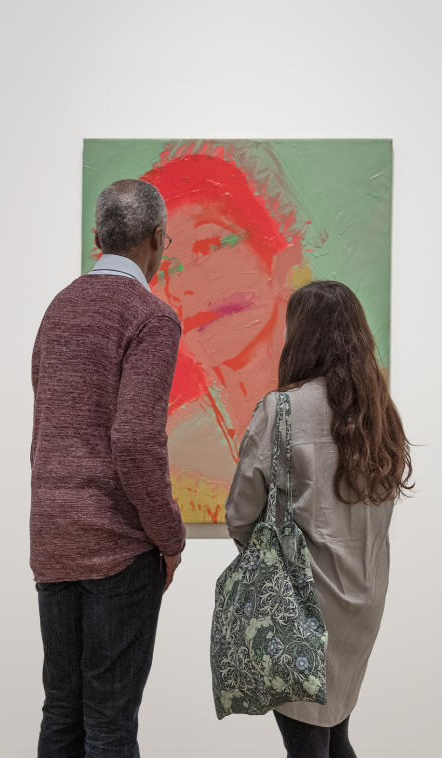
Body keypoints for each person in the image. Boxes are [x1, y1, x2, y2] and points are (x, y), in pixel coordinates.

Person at [225, 280, 412, 758]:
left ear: (300, 335)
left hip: (301, 603)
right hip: (363, 600)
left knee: (306, 745)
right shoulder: (379, 413)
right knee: (338, 737)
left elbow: (240, 513)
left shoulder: (281, 412)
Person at [27, 179, 187, 758]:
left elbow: (50, 422)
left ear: (100, 236)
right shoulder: (150, 316)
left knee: (63, 712)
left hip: (51, 537)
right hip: (117, 544)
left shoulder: (58, 308)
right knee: (109, 722)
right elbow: (133, 440)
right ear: (154, 241)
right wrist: (170, 534)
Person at [141, 143, 309, 522]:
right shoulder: (178, 448)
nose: (186, 287)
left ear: (278, 256)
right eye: (166, 270)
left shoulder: (339, 415)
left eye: (212, 244)